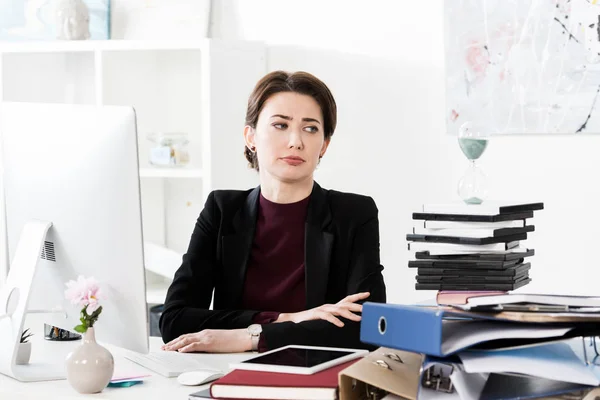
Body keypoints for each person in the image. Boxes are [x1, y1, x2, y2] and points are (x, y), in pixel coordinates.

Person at [159, 70, 386, 354]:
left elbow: (367, 326)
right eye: (280, 125)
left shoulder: (353, 214)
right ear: (250, 136)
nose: (295, 141)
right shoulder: (221, 210)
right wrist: (284, 319)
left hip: (315, 374)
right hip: (226, 373)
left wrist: (252, 337)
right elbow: (175, 320)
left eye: (311, 128)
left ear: (324, 146)